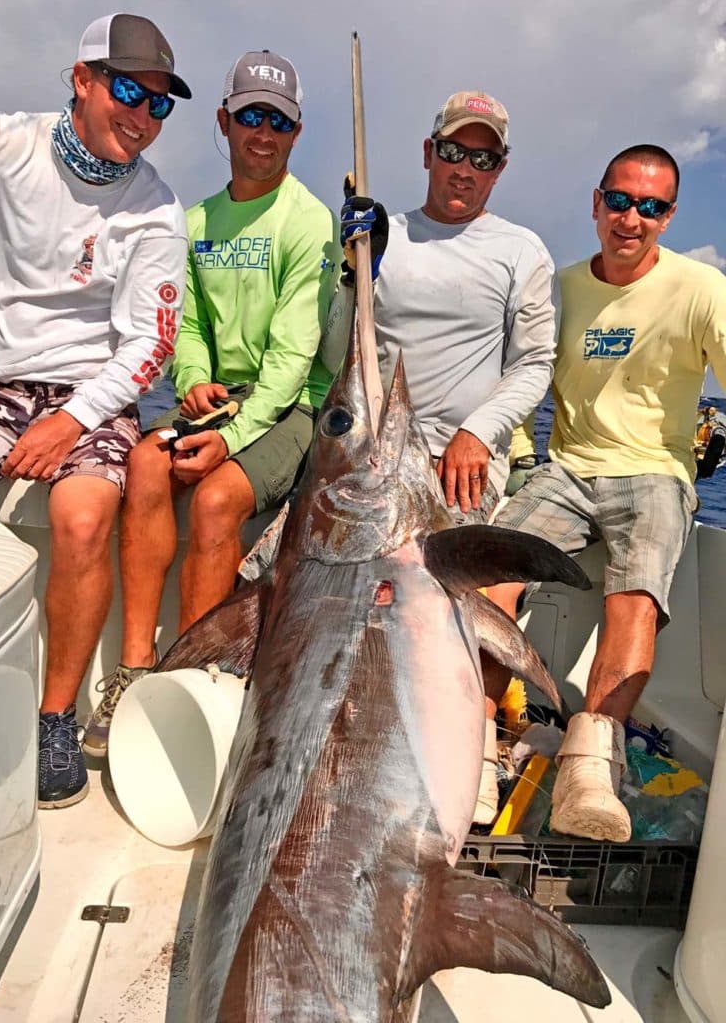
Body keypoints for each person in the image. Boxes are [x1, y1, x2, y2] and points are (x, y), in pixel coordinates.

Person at [0, 13, 191, 809]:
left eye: (160, 104)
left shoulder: (158, 209)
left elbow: (148, 348)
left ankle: (55, 718)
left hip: (92, 392)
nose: (142, 116)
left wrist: (72, 417)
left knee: (86, 517)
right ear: (81, 79)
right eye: (129, 90)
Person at [82, 50, 340, 757]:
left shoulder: (308, 221)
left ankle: (192, 677)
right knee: (142, 465)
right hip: (216, 399)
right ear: (223, 122)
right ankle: (136, 671)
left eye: (279, 121)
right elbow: (187, 326)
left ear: (296, 132)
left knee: (221, 501)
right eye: (250, 115)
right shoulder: (194, 220)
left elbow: (293, 357)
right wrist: (193, 380)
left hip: (285, 408)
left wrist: (230, 440)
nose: (263, 132)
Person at [320, 90, 559, 822]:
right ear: (429, 153)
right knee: (305, 571)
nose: (465, 168)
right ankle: (322, 727)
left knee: (464, 586)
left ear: (500, 168)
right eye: (453, 151)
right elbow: (337, 353)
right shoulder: (383, 236)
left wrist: (478, 432)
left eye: (482, 158)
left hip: (463, 458)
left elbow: (535, 363)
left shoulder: (521, 251)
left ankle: (473, 741)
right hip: (378, 456)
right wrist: (353, 272)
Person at [486, 144, 726, 841]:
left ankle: (590, 769)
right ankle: (467, 741)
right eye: (620, 201)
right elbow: (525, 377)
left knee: (637, 597)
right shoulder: (560, 288)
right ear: (596, 203)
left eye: (650, 207)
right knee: (483, 582)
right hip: (564, 468)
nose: (632, 218)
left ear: (669, 216)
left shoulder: (701, 288)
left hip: (655, 469)